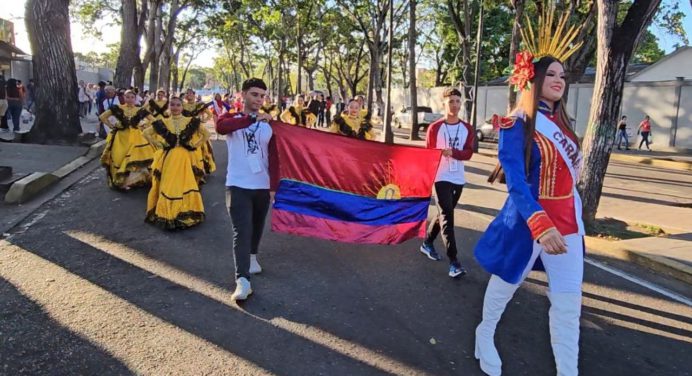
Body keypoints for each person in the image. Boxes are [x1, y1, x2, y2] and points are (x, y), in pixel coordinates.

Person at [474, 20, 585, 374]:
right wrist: (540, 225)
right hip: (527, 222)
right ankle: (485, 333)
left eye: (563, 76)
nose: (559, 80)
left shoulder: (565, 126)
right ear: (533, 79)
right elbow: (517, 184)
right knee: (506, 287)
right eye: (551, 74)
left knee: (569, 307)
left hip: (568, 224)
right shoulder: (515, 124)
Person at [216, 78, 274, 301]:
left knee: (258, 226)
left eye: (262, 96)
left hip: (262, 185)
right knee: (242, 230)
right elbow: (222, 127)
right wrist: (251, 118)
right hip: (238, 184)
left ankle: (251, 257)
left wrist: (274, 186)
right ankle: (243, 280)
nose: (259, 100)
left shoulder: (269, 123)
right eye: (254, 95)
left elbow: (276, 156)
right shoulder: (232, 118)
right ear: (243, 95)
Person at [418, 88, 475, 278]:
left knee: (445, 213)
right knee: (448, 218)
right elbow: (428, 154)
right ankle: (454, 262)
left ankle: (427, 243)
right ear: (444, 104)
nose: (455, 105)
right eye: (451, 101)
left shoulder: (467, 128)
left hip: (458, 177)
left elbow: (468, 152)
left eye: (458, 101)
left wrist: (454, 153)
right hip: (440, 177)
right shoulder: (435, 128)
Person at [143, 96, 209, 229]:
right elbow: (146, 133)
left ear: (182, 107)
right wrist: (158, 144)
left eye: (178, 105)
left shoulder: (191, 121)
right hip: (170, 158)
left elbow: (206, 134)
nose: (175, 108)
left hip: (185, 157)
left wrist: (195, 145)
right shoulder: (163, 121)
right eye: (172, 105)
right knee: (169, 184)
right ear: (169, 107)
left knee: (186, 183)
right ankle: (169, 214)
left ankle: (184, 211)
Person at [98, 90, 155, 190]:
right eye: (127, 97)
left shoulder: (140, 110)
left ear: (135, 98)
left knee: (135, 157)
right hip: (121, 138)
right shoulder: (117, 108)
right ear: (124, 97)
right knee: (119, 157)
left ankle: (134, 180)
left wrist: (144, 126)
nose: (130, 99)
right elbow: (102, 117)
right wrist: (111, 126)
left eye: (132, 97)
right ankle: (122, 181)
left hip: (136, 137)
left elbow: (154, 120)